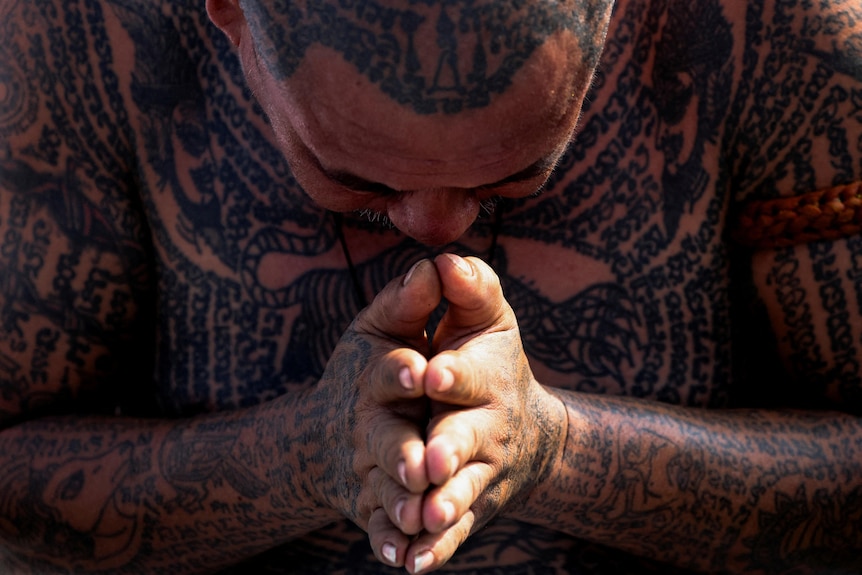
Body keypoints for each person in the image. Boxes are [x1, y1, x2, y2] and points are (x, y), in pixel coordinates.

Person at [0, 0, 860, 572]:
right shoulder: (83, 38)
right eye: (360, 179)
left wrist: (558, 451)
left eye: (516, 174)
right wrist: (300, 457)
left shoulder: (776, 34)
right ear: (229, 14)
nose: (436, 227)